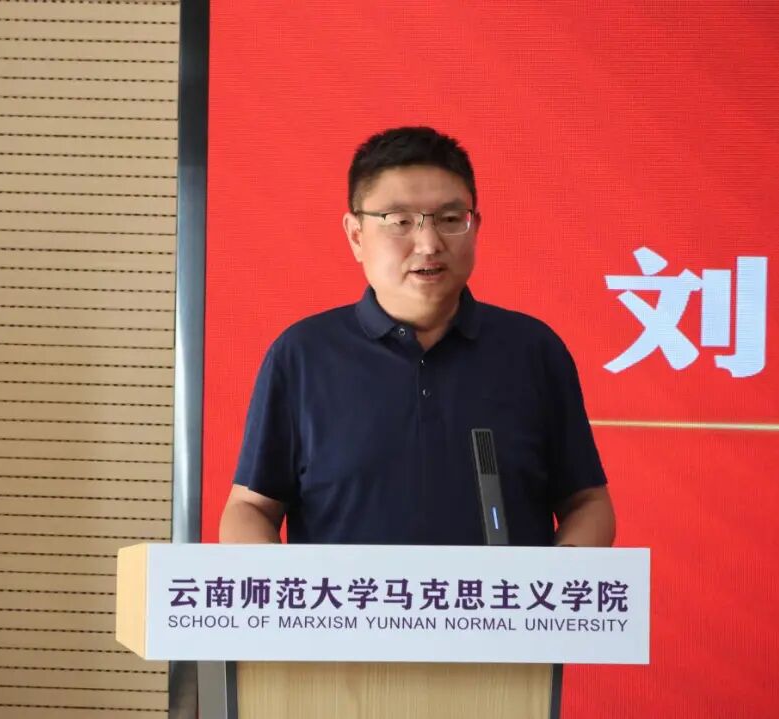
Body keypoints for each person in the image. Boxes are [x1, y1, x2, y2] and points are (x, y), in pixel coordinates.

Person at [219, 126, 615, 548]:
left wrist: (556, 579)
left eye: (450, 220)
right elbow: (250, 508)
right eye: (400, 222)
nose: (428, 243)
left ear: (475, 226)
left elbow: (587, 503)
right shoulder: (303, 354)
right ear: (356, 234)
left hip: (497, 596)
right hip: (352, 595)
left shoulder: (532, 350)